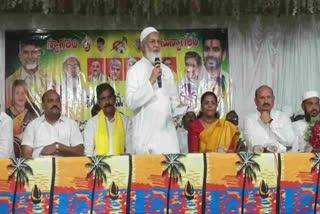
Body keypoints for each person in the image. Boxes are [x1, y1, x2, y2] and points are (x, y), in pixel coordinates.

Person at [126, 27, 180, 154]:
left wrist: (180, 108)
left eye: (158, 42)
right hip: (146, 139)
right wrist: (150, 81)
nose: (156, 45)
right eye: (152, 42)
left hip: (168, 139)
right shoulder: (134, 71)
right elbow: (130, 102)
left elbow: (173, 100)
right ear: (143, 46)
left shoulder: (166, 70)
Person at [21, 90, 84, 158]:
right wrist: (41, 151)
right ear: (43, 106)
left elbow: (79, 151)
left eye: (57, 100)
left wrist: (58, 147)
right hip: (40, 167)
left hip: (65, 167)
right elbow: (26, 154)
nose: (55, 104)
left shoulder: (72, 125)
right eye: (50, 101)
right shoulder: (32, 126)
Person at [83, 83, 132, 156]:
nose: (107, 102)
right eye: (103, 99)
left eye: (109, 97)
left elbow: (130, 150)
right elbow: (88, 153)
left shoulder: (126, 121)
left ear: (115, 99)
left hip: (121, 165)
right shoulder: (92, 123)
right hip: (99, 166)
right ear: (99, 103)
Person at [6, 39, 56, 109]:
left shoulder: (50, 80)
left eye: (34, 52)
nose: (30, 56)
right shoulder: (9, 82)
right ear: (20, 56)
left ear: (39, 55)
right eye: (26, 52)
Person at [243, 85, 295, 153]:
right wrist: (279, 147)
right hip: (257, 160)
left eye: (268, 97)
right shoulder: (249, 119)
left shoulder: (283, 117)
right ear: (255, 101)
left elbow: (289, 141)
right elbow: (254, 144)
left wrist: (271, 122)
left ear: (273, 99)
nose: (266, 101)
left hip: (280, 160)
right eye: (262, 98)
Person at [197, 30, 230, 115]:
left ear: (223, 54)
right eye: (207, 49)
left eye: (215, 50)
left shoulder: (229, 80)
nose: (210, 54)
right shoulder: (194, 79)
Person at [6, 80, 40, 157]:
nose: (20, 96)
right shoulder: (6, 114)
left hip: (31, 153)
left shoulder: (34, 111)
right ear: (12, 95)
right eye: (17, 93)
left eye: (23, 93)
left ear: (27, 94)